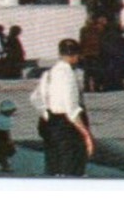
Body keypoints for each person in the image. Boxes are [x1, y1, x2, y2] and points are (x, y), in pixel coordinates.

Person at [33, 38, 95, 176]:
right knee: (71, 168)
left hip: (51, 123)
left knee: (54, 167)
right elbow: (71, 109)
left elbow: (35, 98)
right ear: (75, 56)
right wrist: (86, 135)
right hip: (67, 127)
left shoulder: (49, 73)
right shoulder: (68, 75)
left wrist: (46, 114)